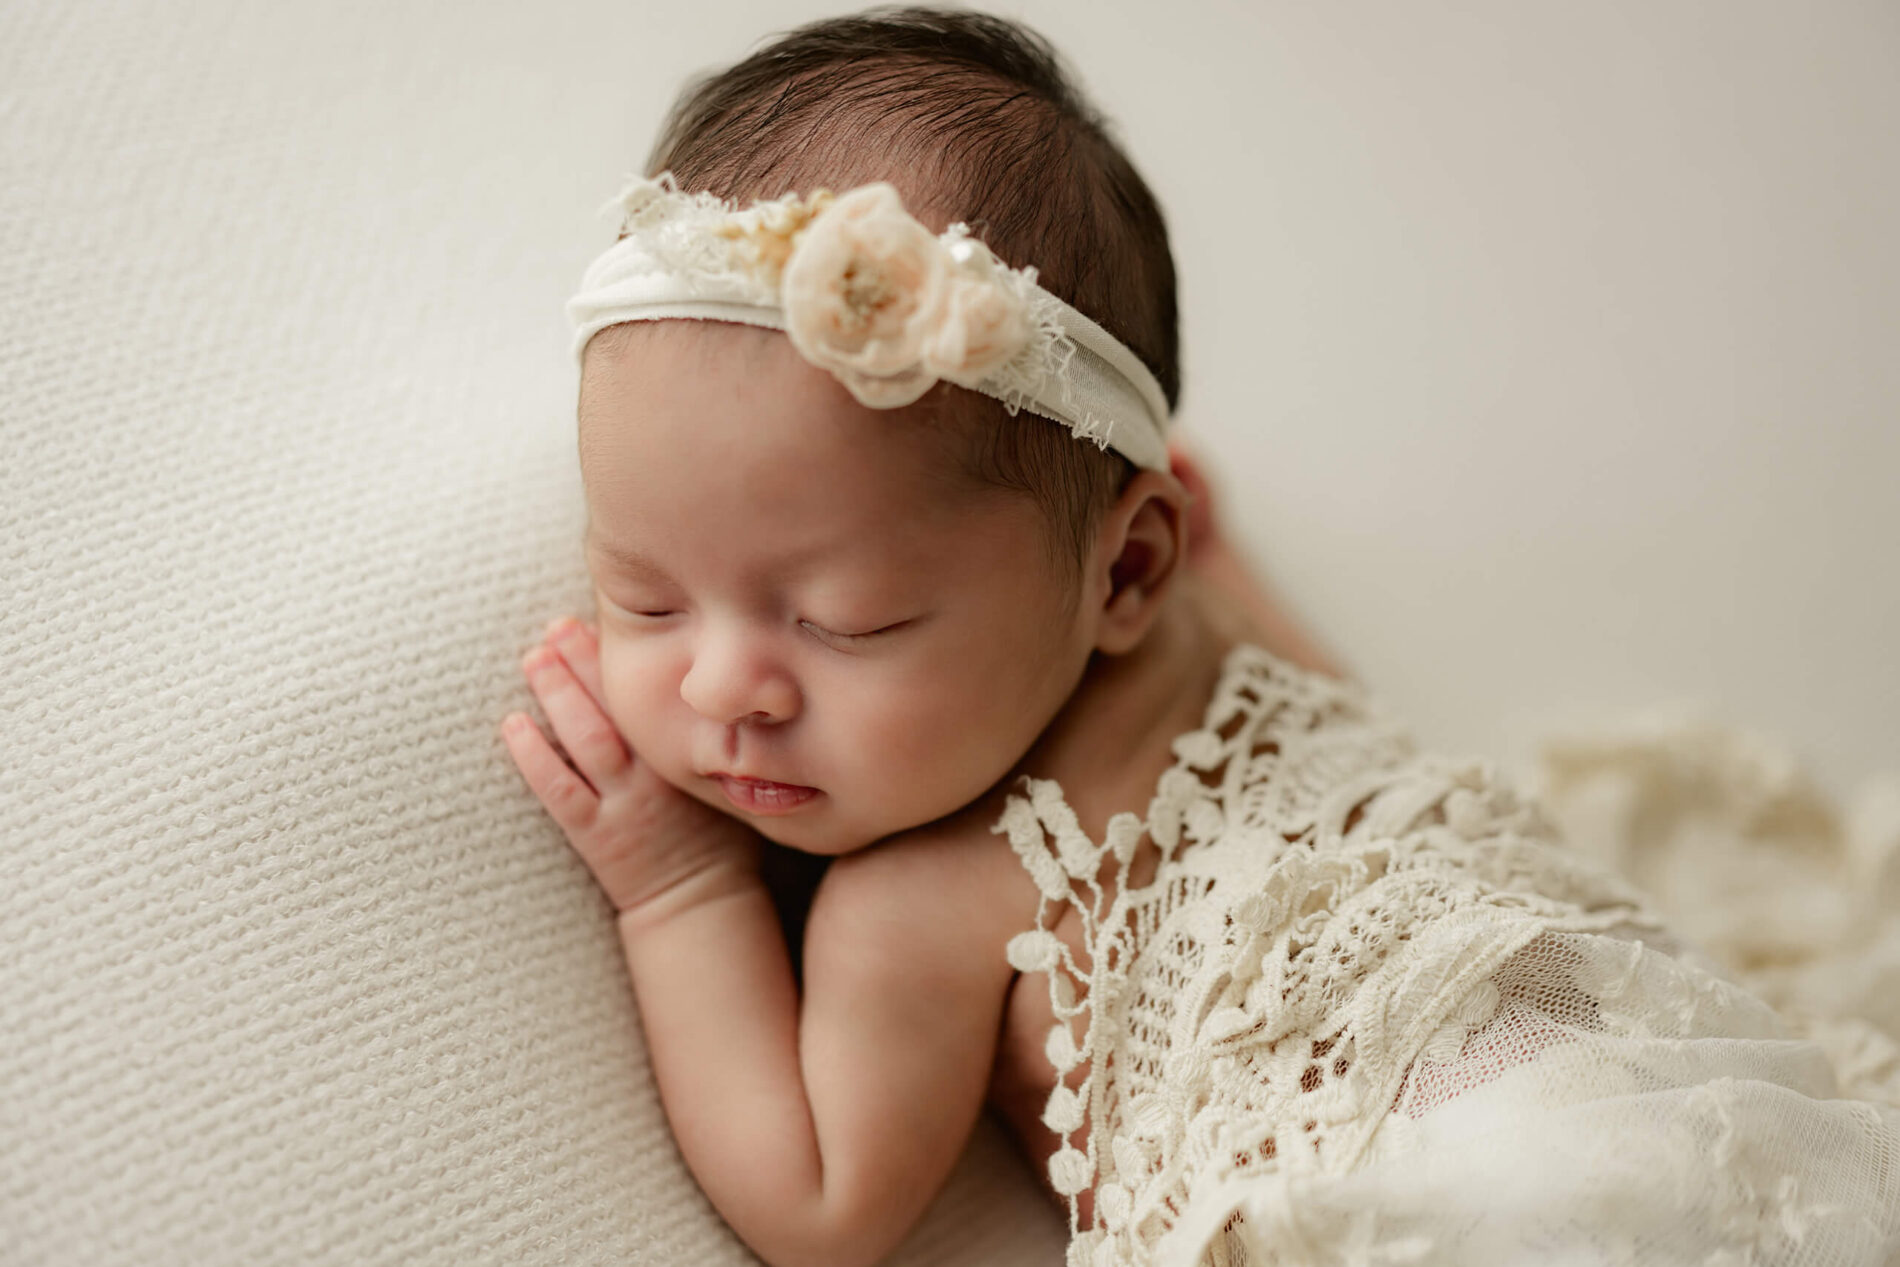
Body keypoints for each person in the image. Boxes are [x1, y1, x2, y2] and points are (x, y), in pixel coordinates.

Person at [500, 9, 1900, 1266]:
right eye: (644, 597)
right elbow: (1343, 704)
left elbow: (818, 1204)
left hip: (1461, 1159)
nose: (724, 683)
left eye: (843, 621)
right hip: (1680, 1098)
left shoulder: (919, 904)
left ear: (1128, 567)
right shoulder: (1211, 630)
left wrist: (683, 893)